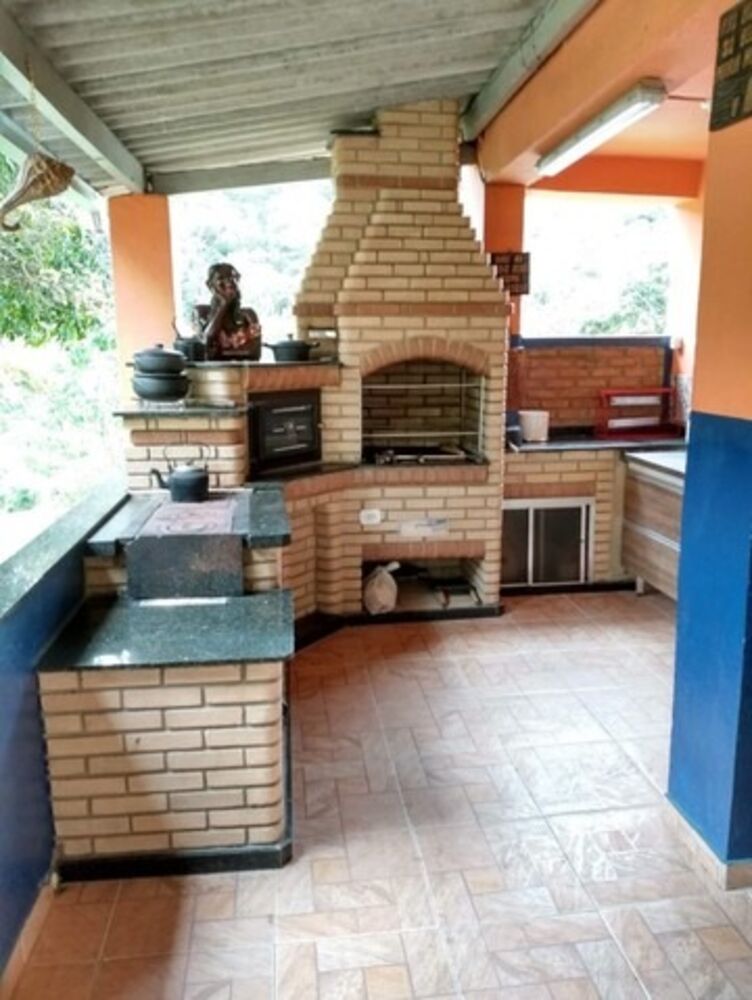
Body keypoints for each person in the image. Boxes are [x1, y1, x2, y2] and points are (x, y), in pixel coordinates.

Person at [193, 262, 262, 361]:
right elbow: (206, 345)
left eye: (232, 278)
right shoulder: (201, 313)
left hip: (244, 370)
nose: (229, 282)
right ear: (210, 285)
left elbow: (254, 353)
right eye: (221, 278)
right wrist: (223, 304)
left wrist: (220, 353)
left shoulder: (249, 315)